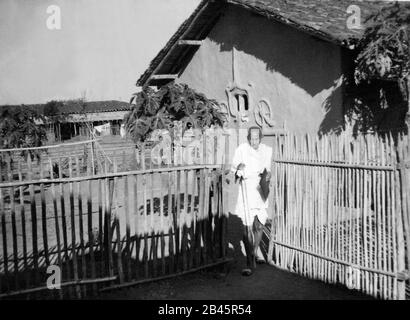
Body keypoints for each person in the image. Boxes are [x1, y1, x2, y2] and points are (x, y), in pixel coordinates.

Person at [231, 126, 272, 276]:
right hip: (247, 190)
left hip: (260, 189)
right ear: (248, 138)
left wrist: (268, 176)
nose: (254, 141)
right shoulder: (241, 149)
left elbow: (268, 170)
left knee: (260, 225)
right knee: (247, 227)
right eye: (251, 138)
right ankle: (248, 262)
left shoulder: (266, 150)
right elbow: (234, 167)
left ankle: (254, 252)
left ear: (260, 138)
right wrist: (239, 170)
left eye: (257, 138)